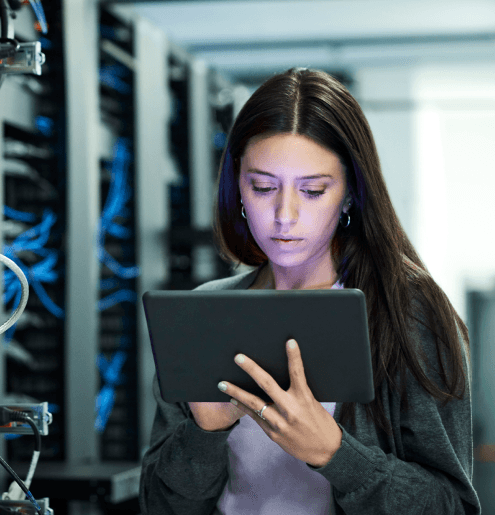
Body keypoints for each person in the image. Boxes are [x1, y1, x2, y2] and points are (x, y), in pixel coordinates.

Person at [138, 68, 480, 514]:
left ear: (351, 194)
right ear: (237, 185)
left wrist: (335, 454)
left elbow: (452, 506)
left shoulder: (409, 314)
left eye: (314, 190)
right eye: (263, 187)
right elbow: (159, 505)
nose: (285, 215)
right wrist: (204, 434)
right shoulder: (206, 312)